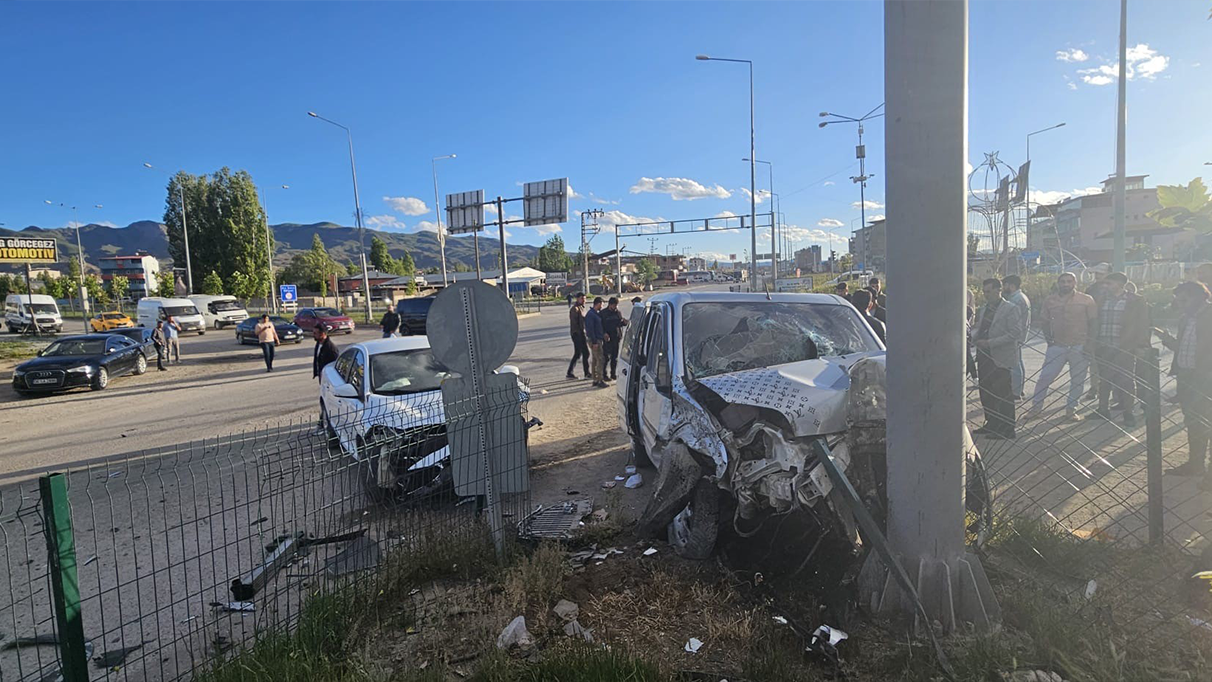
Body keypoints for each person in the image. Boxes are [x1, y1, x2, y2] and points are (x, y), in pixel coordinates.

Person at [1156, 282, 1212, 485]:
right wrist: (1166, 339)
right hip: (1187, 378)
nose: (1180, 304)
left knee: (1207, 423)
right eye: (1178, 300)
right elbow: (1182, 348)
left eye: (1184, 300)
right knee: (1193, 422)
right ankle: (1195, 465)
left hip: (1206, 379)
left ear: (1200, 297)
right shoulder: (1185, 319)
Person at [1026, 272, 1098, 422]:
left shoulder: (1086, 300)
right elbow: (1044, 321)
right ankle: (1036, 409)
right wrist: (1049, 341)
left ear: (1075, 283)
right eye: (1063, 282)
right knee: (1045, 377)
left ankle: (1071, 410)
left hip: (1080, 346)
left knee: (1077, 380)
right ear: (1058, 283)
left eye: (1069, 281)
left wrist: (1089, 344)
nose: (1066, 284)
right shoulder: (1050, 300)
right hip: (1057, 346)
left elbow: (1093, 323)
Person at [1088, 272, 1149, 428]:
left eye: (1109, 283)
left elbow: (1143, 324)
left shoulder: (1135, 300)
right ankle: (1103, 409)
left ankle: (1128, 413)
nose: (1105, 286)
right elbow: (1094, 321)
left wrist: (1141, 345)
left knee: (1127, 381)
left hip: (1125, 348)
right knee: (1105, 380)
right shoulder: (1101, 300)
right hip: (1104, 346)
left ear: (1120, 284)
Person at [971, 278, 1024, 440]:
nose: (986, 295)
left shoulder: (1010, 309)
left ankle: (1007, 428)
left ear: (998, 290)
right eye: (984, 292)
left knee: (1003, 393)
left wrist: (990, 343)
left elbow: (1015, 333)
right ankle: (992, 423)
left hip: (1000, 356)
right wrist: (972, 338)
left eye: (989, 291)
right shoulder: (984, 308)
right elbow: (980, 329)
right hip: (984, 356)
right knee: (986, 392)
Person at [1002, 275, 1032, 399]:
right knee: (1018, 362)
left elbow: (1013, 319)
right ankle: (1019, 389)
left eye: (1005, 285)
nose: (1003, 288)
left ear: (1011, 286)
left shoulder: (1016, 300)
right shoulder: (1020, 297)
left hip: (1015, 335)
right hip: (1019, 334)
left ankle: (1015, 392)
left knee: (1014, 364)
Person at [600, 297, 628, 380]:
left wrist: (624, 323)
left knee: (614, 358)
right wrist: (604, 333)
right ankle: (604, 375)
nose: (615, 307)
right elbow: (600, 326)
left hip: (616, 337)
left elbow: (619, 323)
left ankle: (613, 374)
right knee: (606, 357)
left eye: (616, 305)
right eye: (614, 305)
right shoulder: (603, 313)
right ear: (610, 304)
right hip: (607, 338)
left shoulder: (617, 313)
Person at [566, 293, 590, 380]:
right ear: (577, 299)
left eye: (584, 299)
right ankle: (586, 373)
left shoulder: (581, 308)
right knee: (585, 353)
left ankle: (570, 372)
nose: (584, 300)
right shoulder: (575, 309)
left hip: (581, 333)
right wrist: (580, 334)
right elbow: (575, 323)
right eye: (582, 299)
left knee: (578, 354)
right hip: (577, 334)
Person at [585, 297, 607, 388]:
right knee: (600, 359)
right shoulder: (591, 315)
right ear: (598, 304)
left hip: (598, 339)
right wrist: (594, 342)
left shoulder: (595, 314)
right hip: (595, 340)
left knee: (595, 359)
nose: (602, 306)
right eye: (602, 304)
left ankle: (595, 379)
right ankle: (599, 380)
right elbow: (590, 329)